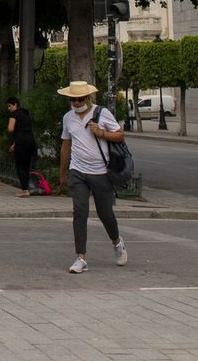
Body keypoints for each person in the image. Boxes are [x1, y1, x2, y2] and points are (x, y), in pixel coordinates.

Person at [58, 80, 127, 274]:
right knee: (80, 212)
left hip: (100, 173)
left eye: (80, 99)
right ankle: (81, 257)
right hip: (78, 171)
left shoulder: (101, 113)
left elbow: (120, 135)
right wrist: (62, 173)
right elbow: (66, 145)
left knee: (106, 214)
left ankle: (117, 242)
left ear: (87, 98)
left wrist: (101, 132)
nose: (76, 103)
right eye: (73, 100)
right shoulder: (68, 118)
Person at [6, 96, 37, 198]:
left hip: (21, 143)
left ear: (15, 104)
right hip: (31, 141)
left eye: (9, 106)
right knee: (27, 166)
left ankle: (24, 190)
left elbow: (11, 129)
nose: (9, 108)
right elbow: (25, 130)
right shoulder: (26, 113)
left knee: (20, 166)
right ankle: (26, 188)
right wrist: (15, 144)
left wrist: (9, 126)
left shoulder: (14, 114)